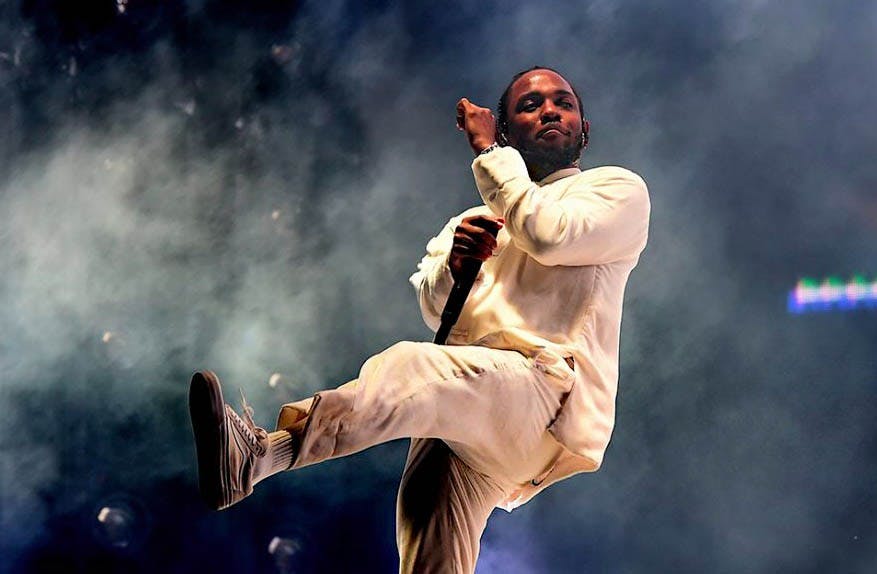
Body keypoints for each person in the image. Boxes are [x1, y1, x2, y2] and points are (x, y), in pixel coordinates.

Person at [189, 66, 650, 573]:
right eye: (530, 105)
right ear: (507, 128)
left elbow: (547, 234)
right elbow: (435, 308)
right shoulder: (469, 222)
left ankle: (262, 454)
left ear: (583, 128)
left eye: (563, 102)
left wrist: (489, 154)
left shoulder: (616, 191)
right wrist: (456, 267)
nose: (550, 111)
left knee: (413, 364)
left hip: (546, 399)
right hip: (468, 404)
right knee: (430, 553)